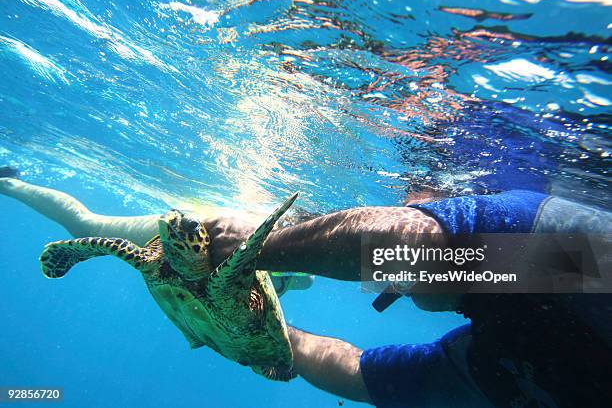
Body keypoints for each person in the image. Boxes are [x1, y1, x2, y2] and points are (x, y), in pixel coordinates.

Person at [1, 169, 610, 407]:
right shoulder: (498, 364)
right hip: (222, 265)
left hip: (244, 243)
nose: (392, 287)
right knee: (86, 227)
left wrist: (259, 250)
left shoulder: (587, 262)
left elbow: (429, 253)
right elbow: (354, 369)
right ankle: (12, 182)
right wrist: (258, 340)